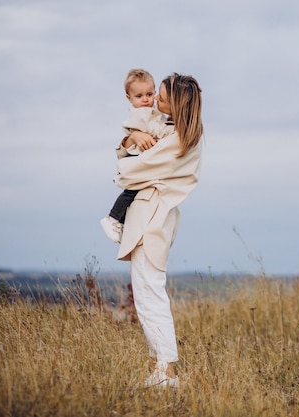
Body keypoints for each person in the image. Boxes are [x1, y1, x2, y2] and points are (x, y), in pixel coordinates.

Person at [113, 73, 204, 388]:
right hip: (148, 215)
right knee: (146, 293)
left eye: (161, 98)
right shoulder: (169, 129)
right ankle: (158, 368)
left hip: (153, 218)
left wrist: (131, 153)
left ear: (176, 102)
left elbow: (132, 170)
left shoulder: (181, 138)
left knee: (151, 293)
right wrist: (130, 139)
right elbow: (130, 152)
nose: (155, 103)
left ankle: (166, 372)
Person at [100, 69, 175, 243]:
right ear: (129, 98)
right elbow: (156, 129)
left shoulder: (150, 111)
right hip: (134, 157)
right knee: (132, 190)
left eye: (150, 94)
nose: (146, 99)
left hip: (138, 155)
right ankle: (113, 218)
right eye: (139, 96)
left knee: (136, 193)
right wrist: (172, 129)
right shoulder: (142, 113)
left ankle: (123, 221)